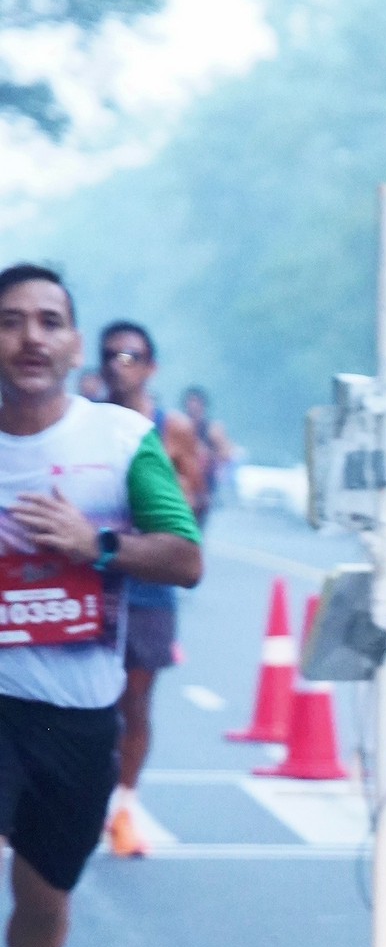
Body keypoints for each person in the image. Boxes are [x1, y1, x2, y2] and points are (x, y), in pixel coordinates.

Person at [0, 266, 202, 947]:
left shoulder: (119, 440)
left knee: (44, 899)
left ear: (73, 343)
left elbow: (184, 557)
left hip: (76, 715)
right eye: (11, 321)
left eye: (49, 322)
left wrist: (97, 545)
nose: (30, 338)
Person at [99, 322, 208, 857]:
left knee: (136, 701)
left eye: (131, 356)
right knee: (87, 699)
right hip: (93, 578)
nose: (119, 366)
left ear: (150, 367)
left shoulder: (173, 429)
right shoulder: (85, 423)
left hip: (149, 586)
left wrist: (168, 501)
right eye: (110, 356)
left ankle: (124, 806)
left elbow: (197, 499)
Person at [179, 387, 235, 522]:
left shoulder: (212, 429)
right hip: (182, 484)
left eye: (196, 402)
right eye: (190, 402)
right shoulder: (178, 426)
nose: (193, 406)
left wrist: (208, 454)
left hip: (204, 487)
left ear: (203, 405)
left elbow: (227, 454)